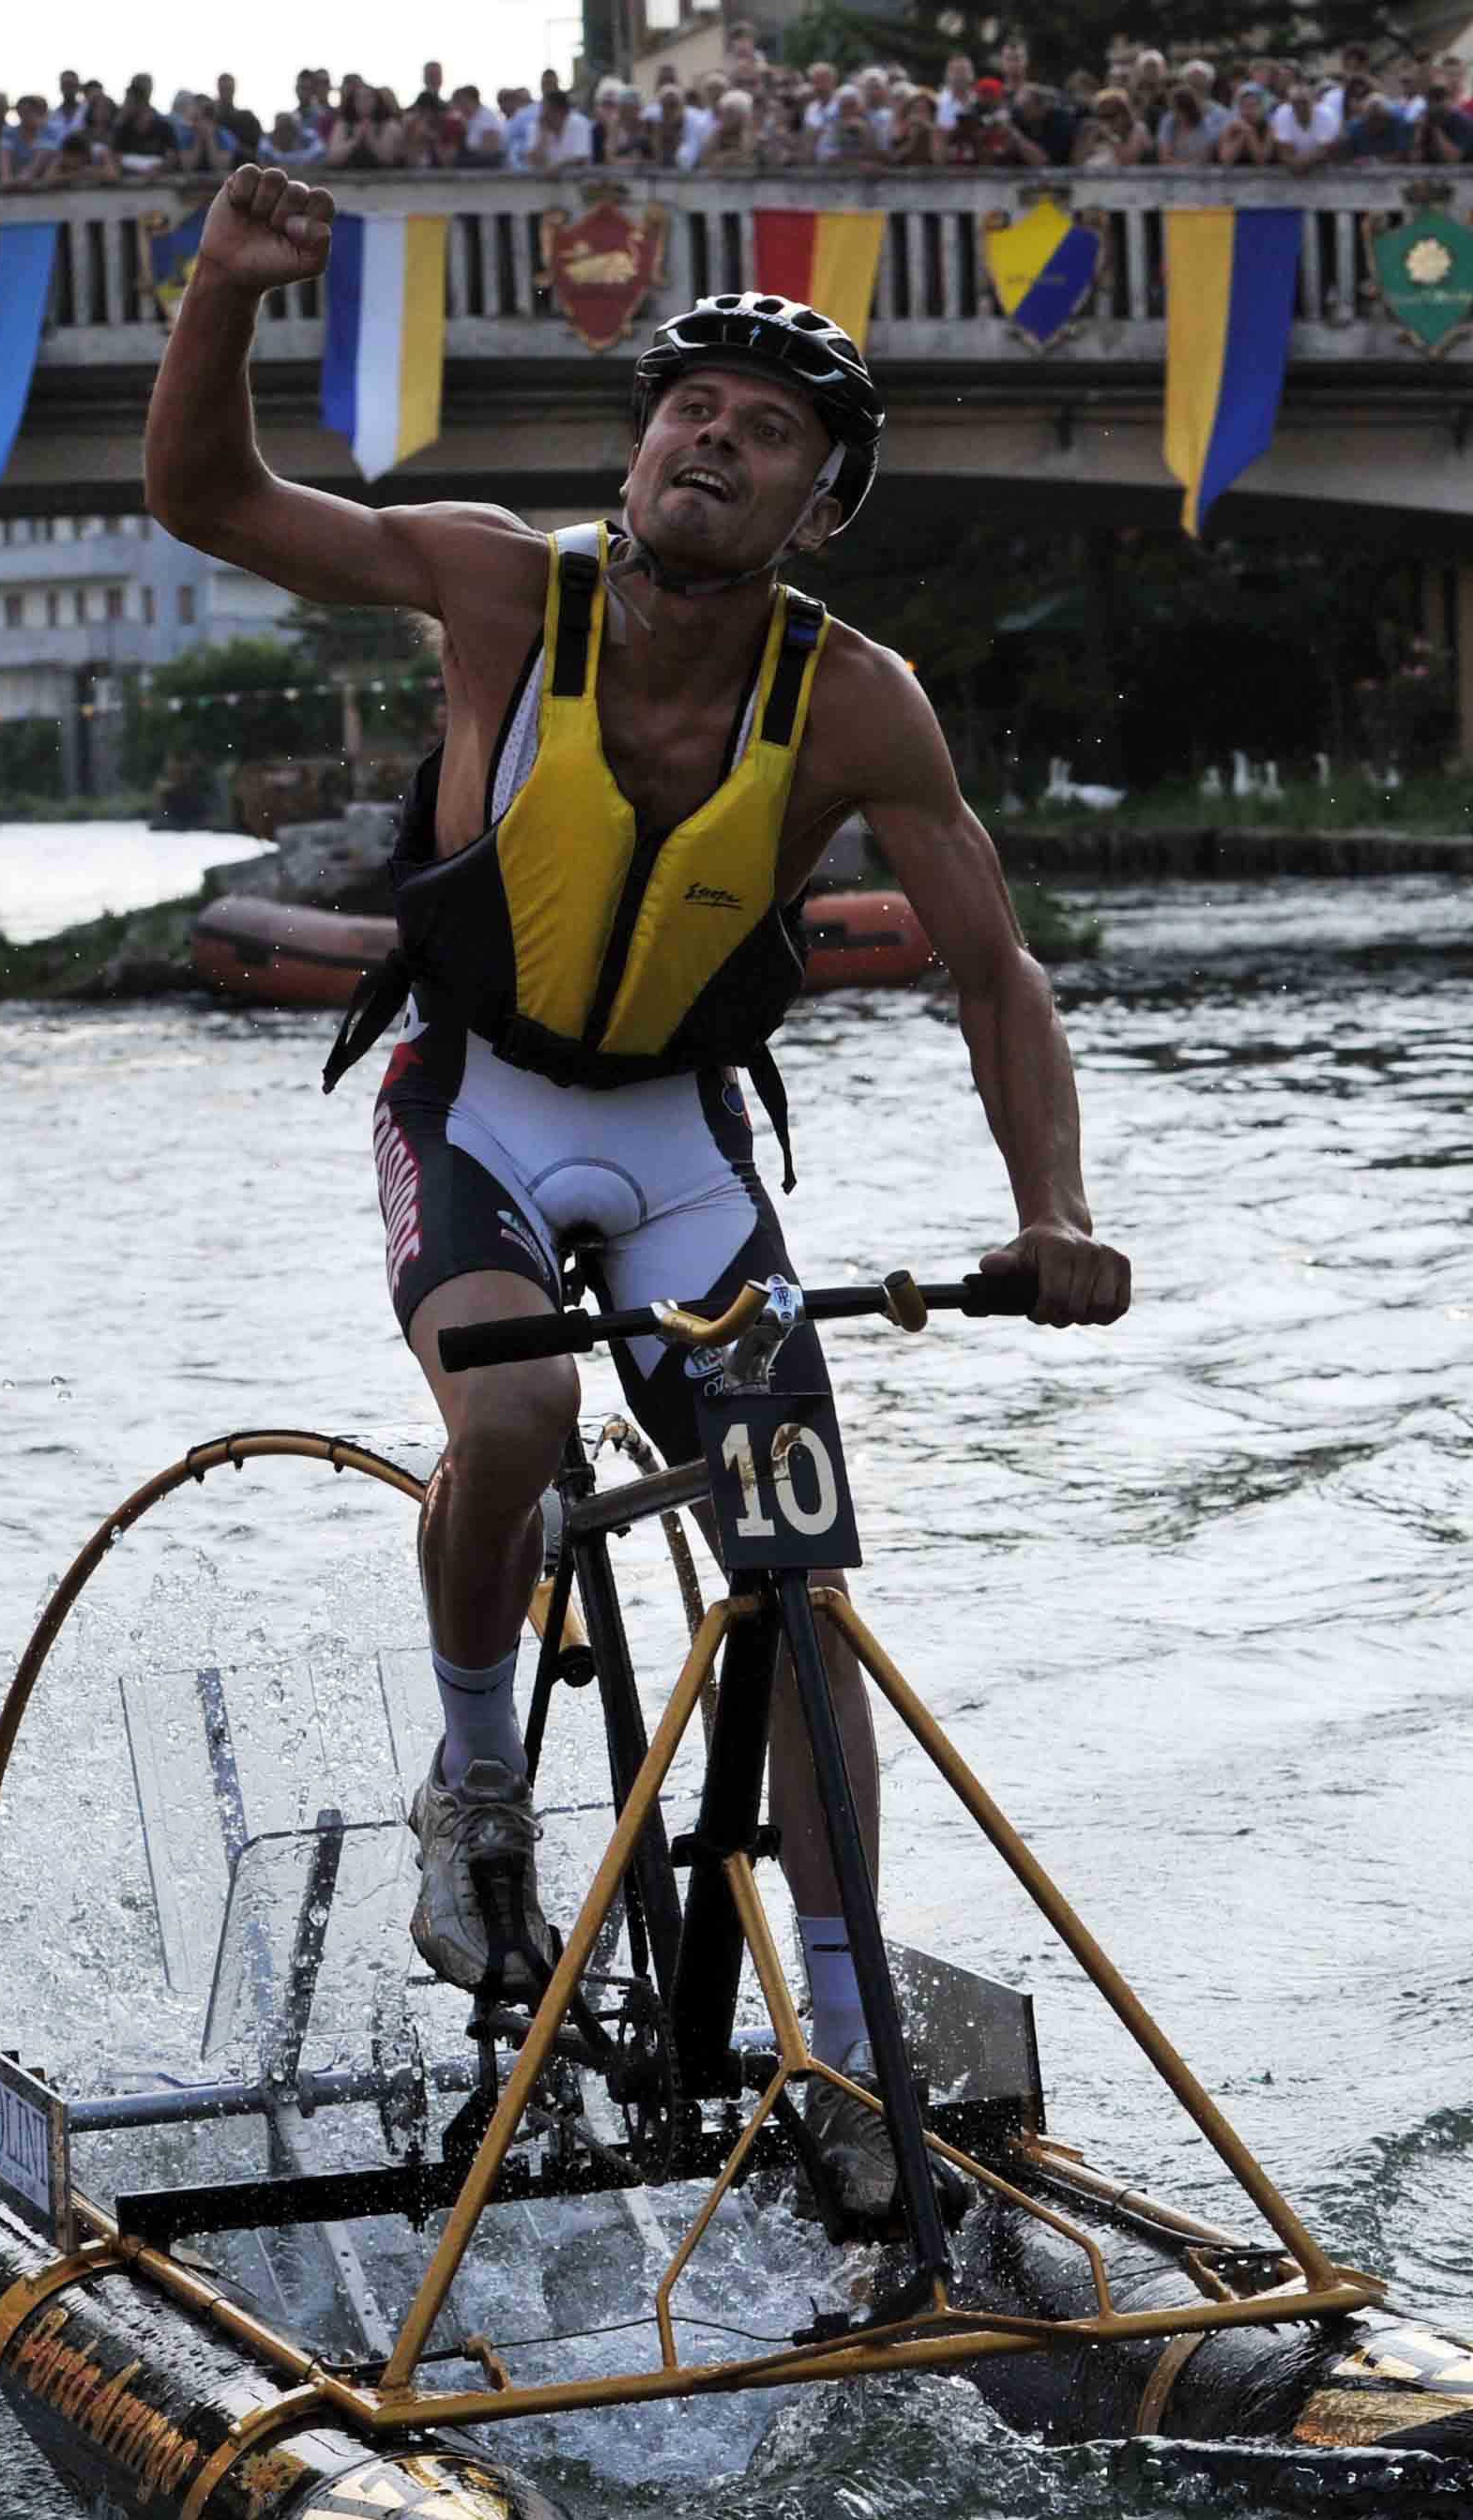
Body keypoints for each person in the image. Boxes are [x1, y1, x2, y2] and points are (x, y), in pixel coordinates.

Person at [149, 176, 1132, 2232]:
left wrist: (1050, 1209)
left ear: (817, 505)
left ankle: (845, 2048)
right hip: (482, 1103)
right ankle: (477, 1781)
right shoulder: (506, 589)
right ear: (639, 438)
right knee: (513, 1412)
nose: (715, 441)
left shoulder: (856, 700)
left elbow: (993, 969)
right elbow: (213, 500)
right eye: (691, 407)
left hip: (682, 1144)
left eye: (768, 432)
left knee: (800, 1580)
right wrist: (226, 288)